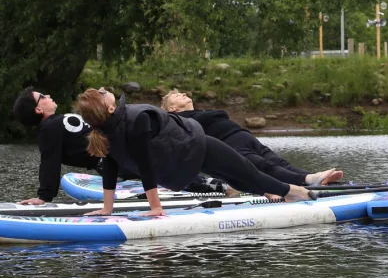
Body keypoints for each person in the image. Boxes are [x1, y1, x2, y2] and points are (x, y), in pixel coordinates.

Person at [75, 89, 316, 217]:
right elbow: (141, 166)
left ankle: (285, 191)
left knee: (238, 178)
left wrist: (107, 208)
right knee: (246, 172)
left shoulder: (106, 130)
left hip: (182, 163)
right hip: (196, 147)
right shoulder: (134, 121)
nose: (104, 88)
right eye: (101, 92)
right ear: (109, 107)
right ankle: (293, 191)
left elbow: (111, 169)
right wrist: (156, 208)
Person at [11, 87, 230, 204]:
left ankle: (222, 181)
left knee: (168, 159)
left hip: (120, 145)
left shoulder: (56, 123)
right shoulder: (49, 129)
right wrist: (44, 196)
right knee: (162, 168)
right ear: (39, 110)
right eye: (42, 97)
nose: (48, 95)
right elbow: (49, 160)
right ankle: (221, 186)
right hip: (111, 157)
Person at [161, 91, 342, 187]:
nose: (183, 93)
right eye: (177, 96)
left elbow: (219, 115)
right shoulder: (180, 120)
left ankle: (315, 178)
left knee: (278, 161)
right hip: (229, 145)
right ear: (172, 109)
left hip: (244, 136)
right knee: (264, 166)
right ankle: (309, 179)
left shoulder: (198, 113)